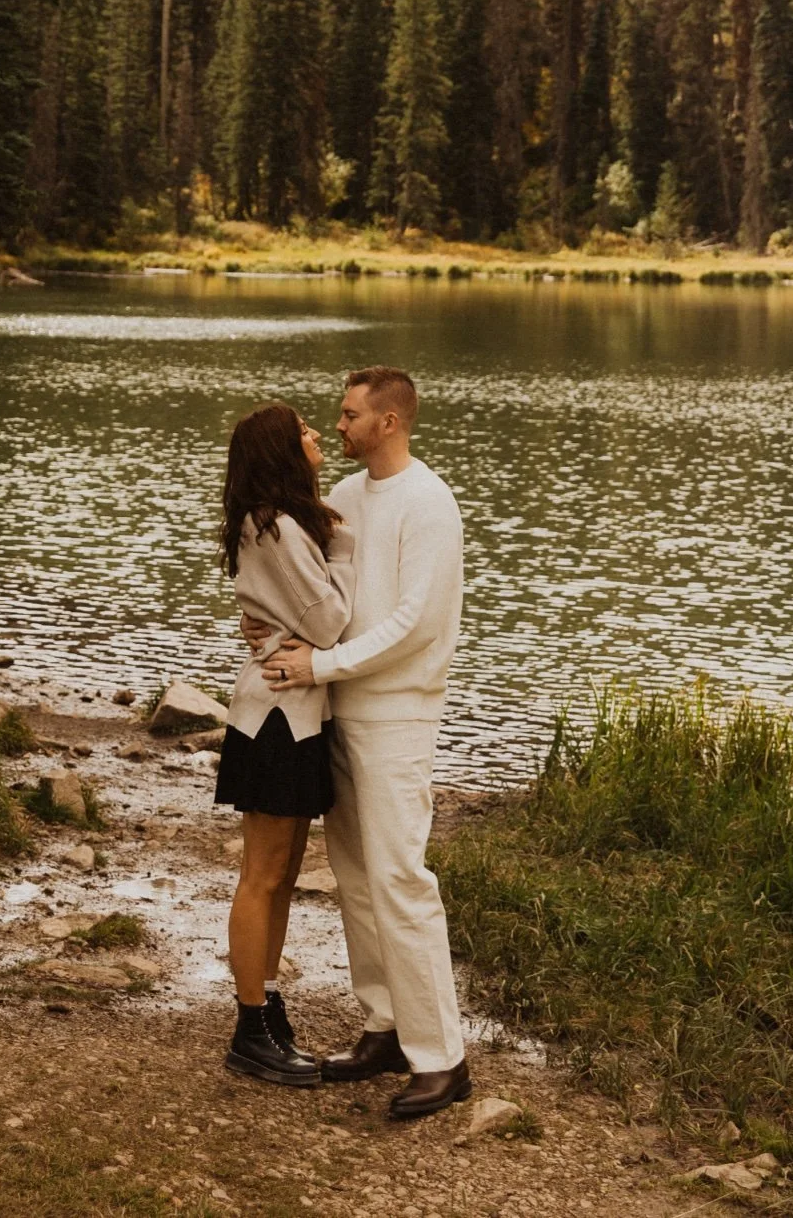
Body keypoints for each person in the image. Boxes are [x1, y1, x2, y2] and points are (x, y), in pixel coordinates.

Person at [256, 364, 469, 1122]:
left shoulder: (430, 503)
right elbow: (312, 588)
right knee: (353, 875)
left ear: (390, 422)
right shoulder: (344, 498)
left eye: (349, 416)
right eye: (338, 416)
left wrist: (322, 662)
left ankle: (442, 1058)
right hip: (337, 710)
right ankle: (385, 1026)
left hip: (397, 715)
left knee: (401, 880)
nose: (338, 426)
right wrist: (269, 626)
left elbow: (412, 623)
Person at [215, 400, 356, 1087]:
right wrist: (346, 546)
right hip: (273, 714)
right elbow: (330, 621)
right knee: (263, 876)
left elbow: (315, 622)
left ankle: (267, 1008)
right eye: (300, 429)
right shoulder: (271, 527)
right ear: (278, 451)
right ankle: (249, 1029)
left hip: (293, 712)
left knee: (284, 877)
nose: (313, 434)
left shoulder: (285, 523)